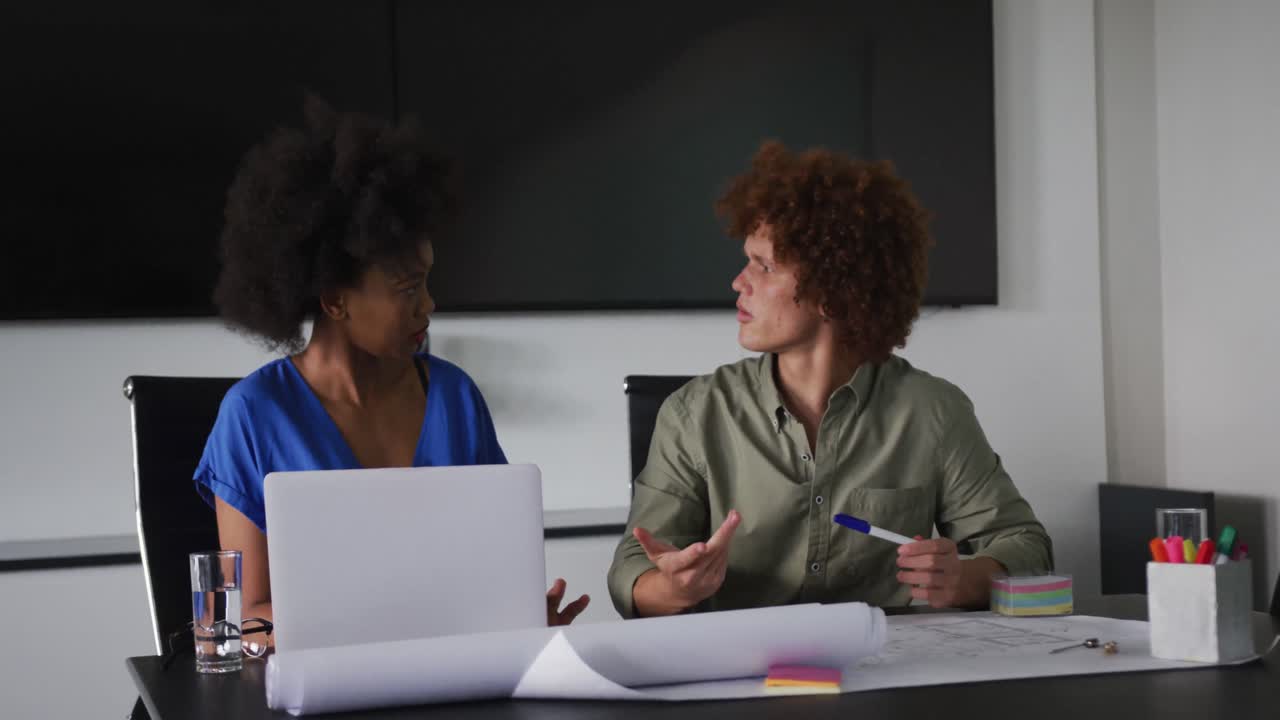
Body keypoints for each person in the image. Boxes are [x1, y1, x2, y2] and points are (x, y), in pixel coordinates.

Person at [195, 98, 588, 643]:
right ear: (335, 300)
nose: (429, 306)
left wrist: (521, 615)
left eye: (427, 282)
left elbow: (489, 576)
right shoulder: (253, 415)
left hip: (449, 684)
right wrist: (383, 623)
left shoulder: (453, 395)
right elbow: (235, 620)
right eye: (408, 289)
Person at [607, 141, 1052, 618]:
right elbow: (632, 570)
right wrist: (675, 587)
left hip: (892, 675)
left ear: (834, 290)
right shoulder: (695, 413)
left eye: (765, 265)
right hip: (747, 677)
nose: (739, 281)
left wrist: (964, 577)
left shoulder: (933, 411)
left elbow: (1027, 548)